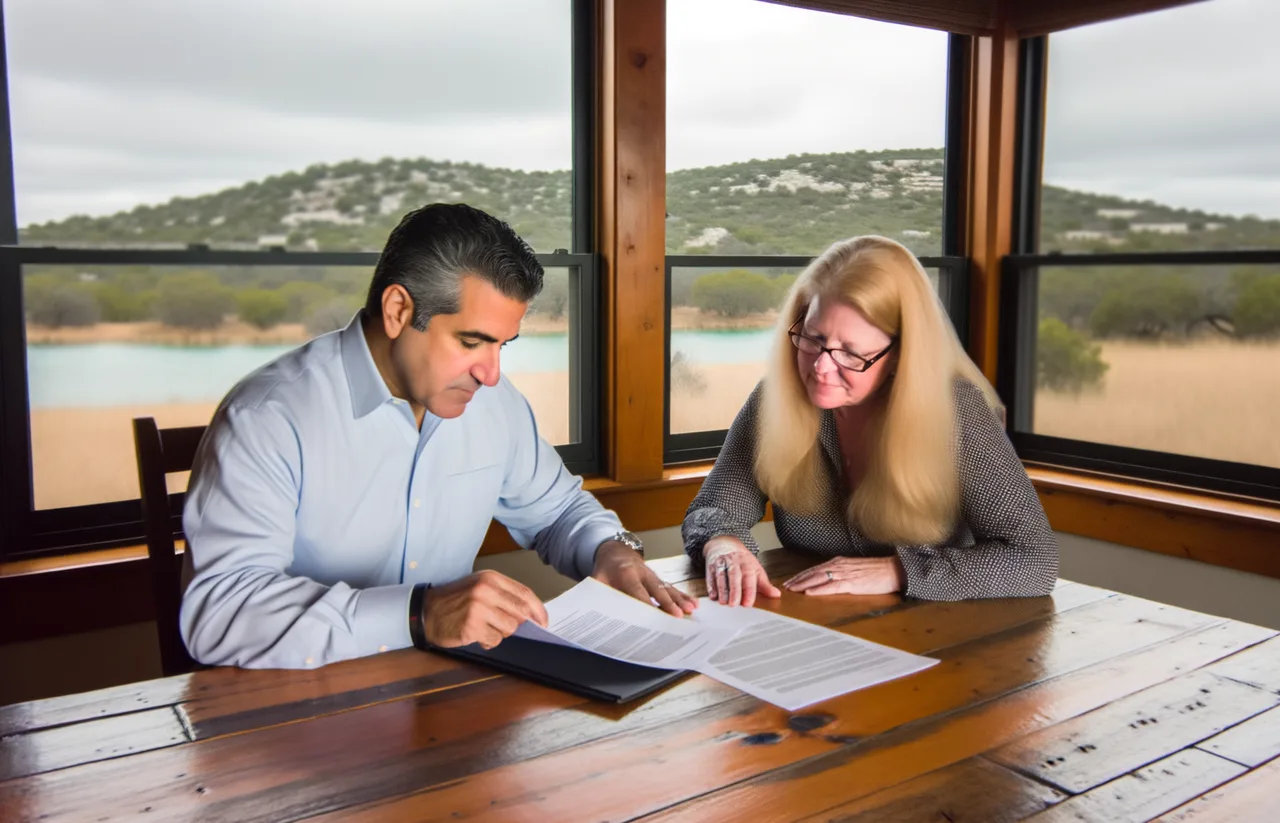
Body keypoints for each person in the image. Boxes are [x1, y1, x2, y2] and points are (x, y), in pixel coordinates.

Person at [181, 203, 694, 669]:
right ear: (398, 311)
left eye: (503, 345)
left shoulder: (494, 403)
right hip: (294, 716)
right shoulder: (268, 417)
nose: (490, 373)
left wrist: (613, 550)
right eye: (472, 341)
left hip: (450, 695)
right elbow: (221, 611)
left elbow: (558, 511)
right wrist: (418, 613)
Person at [682, 235, 1058, 606]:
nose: (821, 367)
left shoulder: (957, 411)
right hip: (816, 621)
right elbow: (713, 509)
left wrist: (897, 571)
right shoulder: (773, 398)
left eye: (852, 353)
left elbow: (1034, 560)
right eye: (813, 338)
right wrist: (723, 545)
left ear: (900, 354)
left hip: (936, 633)